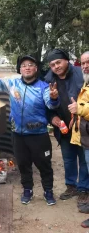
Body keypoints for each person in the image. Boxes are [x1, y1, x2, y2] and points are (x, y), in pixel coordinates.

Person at [0, 55, 59, 205]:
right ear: (20, 69)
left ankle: (48, 191)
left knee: (44, 165)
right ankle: (27, 190)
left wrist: (53, 97)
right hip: (18, 134)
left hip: (39, 135)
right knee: (23, 165)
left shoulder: (44, 87)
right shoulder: (12, 84)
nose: (27, 67)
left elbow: (51, 105)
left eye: (30, 64)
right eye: (24, 65)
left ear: (36, 68)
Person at [44, 49, 89, 205]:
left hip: (83, 126)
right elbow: (46, 106)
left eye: (58, 62)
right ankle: (71, 186)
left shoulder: (81, 73)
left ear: (66, 60)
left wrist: (77, 115)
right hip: (63, 128)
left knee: (84, 159)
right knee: (68, 159)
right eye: (52, 65)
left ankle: (84, 189)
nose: (56, 67)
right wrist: (53, 118)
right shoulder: (48, 81)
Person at [68, 52, 89, 226]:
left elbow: (83, 108)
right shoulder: (86, 82)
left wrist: (79, 110)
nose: (85, 66)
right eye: (83, 63)